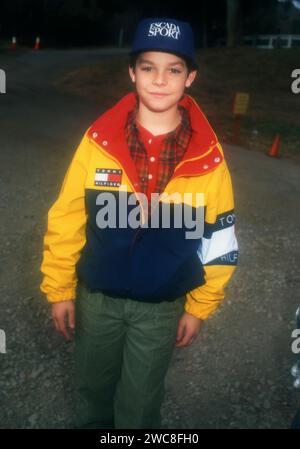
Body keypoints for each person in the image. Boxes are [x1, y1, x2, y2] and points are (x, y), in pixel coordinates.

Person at [40, 17, 239, 429]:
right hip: (97, 300)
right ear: (132, 73)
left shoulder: (208, 159)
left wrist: (201, 306)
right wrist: (59, 287)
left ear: (191, 78)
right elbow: (67, 216)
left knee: (140, 405)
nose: (160, 80)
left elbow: (219, 238)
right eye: (148, 67)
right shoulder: (98, 142)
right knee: (93, 392)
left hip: (162, 307)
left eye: (174, 69)